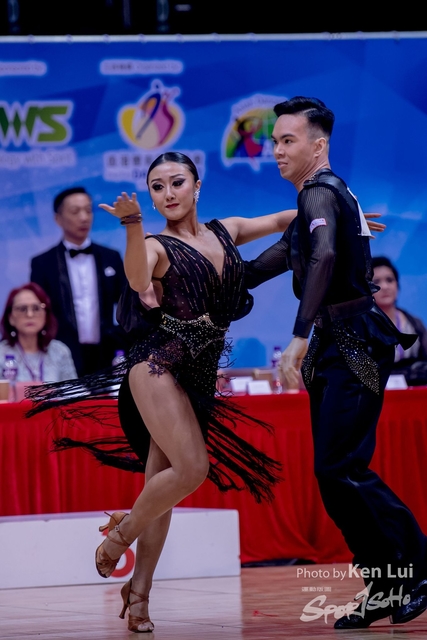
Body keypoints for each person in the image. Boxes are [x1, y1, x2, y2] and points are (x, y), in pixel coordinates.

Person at [25, 152, 385, 634]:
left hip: (198, 376)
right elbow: (137, 278)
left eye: (177, 182)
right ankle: (119, 537)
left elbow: (289, 218)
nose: (168, 193)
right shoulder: (155, 245)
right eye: (157, 187)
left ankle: (139, 595)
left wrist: (345, 221)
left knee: (163, 483)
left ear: (197, 186)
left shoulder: (227, 230)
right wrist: (132, 225)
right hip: (156, 365)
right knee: (192, 469)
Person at [244, 96, 427, 629]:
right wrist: (197, 267)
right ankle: (384, 584)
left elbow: (324, 257)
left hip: (352, 343)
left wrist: (298, 335)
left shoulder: (320, 191)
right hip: (336, 344)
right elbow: (259, 268)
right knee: (334, 475)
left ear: (318, 145)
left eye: (288, 140)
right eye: (275, 141)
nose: (277, 150)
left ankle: (416, 568)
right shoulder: (316, 201)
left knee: (340, 468)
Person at [30, 186, 127, 376]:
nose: (84, 217)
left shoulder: (111, 257)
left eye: (88, 210)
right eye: (75, 211)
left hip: (106, 353)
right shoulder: (43, 263)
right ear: (58, 219)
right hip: (59, 354)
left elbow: (127, 305)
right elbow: (39, 311)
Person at [0, 282, 77, 383]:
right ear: (11, 318)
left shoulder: (60, 352)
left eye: (36, 308)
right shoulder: (1, 353)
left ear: (45, 315)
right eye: (22, 309)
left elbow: (73, 391)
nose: (30, 314)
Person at [372, 256, 427, 384]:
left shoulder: (414, 323)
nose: (384, 286)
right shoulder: (359, 327)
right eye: (376, 281)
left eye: (389, 280)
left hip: (411, 390)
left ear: (397, 285)